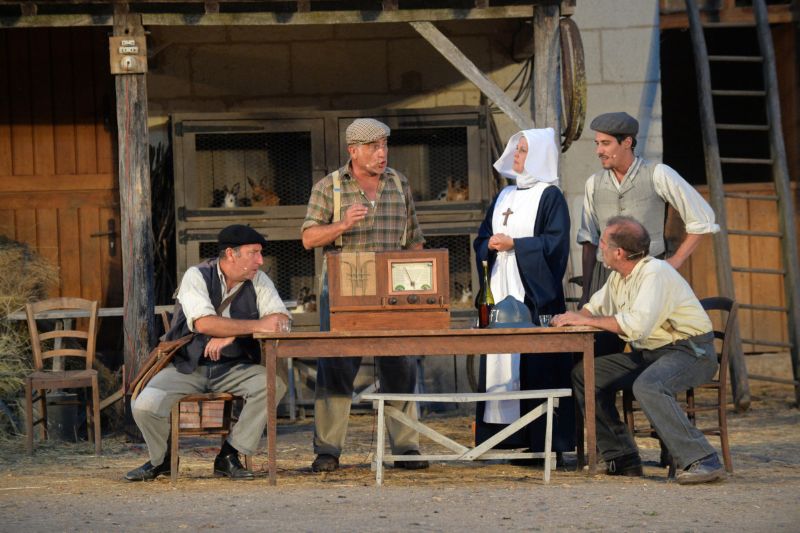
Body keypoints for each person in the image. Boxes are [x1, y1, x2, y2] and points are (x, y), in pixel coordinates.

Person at [552, 216, 726, 485]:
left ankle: (703, 459)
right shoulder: (619, 277)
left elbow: (637, 327)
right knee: (586, 374)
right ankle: (622, 457)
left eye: (603, 243)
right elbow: (595, 307)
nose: (600, 247)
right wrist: (571, 317)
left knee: (649, 386)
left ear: (618, 252)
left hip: (690, 352)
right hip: (652, 354)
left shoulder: (655, 273)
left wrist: (585, 321)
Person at [301, 118, 428, 473]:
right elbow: (309, 238)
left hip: (393, 285)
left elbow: (414, 238)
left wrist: (418, 279)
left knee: (400, 364)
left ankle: (406, 447)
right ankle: (328, 450)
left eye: (384, 146)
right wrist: (342, 224)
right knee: (337, 365)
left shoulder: (399, 183)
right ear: (352, 151)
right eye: (373, 147)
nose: (381, 153)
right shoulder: (329, 187)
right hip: (346, 287)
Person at [126, 224, 289, 482]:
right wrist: (256, 325)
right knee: (144, 406)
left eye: (260, 253)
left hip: (235, 368)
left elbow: (281, 320)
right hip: (188, 367)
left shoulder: (258, 278)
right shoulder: (197, 275)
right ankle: (162, 460)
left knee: (272, 385)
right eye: (254, 252)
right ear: (231, 254)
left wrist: (234, 334)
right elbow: (204, 323)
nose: (260, 259)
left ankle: (229, 455)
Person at [473, 128, 575, 459]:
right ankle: (501, 442)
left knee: (536, 365)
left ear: (538, 156)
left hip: (532, 295)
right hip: (501, 287)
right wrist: (486, 245)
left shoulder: (550, 196)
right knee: (499, 363)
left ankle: (544, 443)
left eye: (522, 151)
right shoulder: (502, 197)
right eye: (515, 150)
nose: (516, 156)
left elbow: (556, 245)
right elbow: (482, 237)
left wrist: (517, 244)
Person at [577, 111, 719, 308]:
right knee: (605, 338)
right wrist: (587, 292)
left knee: (648, 336)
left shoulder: (658, 174)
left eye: (606, 143)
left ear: (627, 142)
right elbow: (589, 240)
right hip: (605, 279)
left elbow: (702, 218)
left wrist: (676, 261)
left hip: (648, 275)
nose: (598, 150)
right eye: (597, 143)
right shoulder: (593, 183)